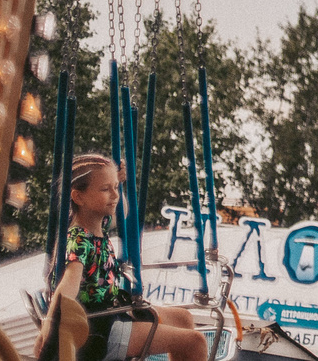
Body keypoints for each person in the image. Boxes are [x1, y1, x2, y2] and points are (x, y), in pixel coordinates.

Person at [52, 155, 206, 361]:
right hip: (98, 329)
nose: (114, 195)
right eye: (105, 189)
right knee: (194, 342)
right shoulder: (79, 239)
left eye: (115, 188)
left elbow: (121, 211)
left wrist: (117, 182)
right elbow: (68, 286)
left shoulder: (96, 226)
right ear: (79, 197)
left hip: (112, 313)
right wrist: (51, 325)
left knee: (183, 317)